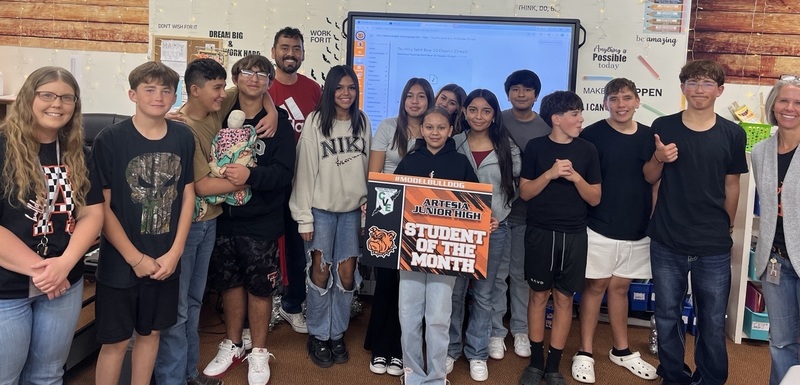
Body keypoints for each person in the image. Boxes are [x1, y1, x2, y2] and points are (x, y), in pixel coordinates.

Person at [644, 60, 747, 385]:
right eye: (692, 82)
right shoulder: (664, 125)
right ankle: (674, 376)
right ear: (683, 88)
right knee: (666, 316)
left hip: (713, 245)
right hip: (667, 239)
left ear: (719, 90)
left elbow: (733, 185)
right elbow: (649, 176)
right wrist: (659, 158)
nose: (698, 89)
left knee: (713, 321)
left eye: (706, 83)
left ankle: (712, 379)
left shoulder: (732, 133)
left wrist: (726, 224)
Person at [92, 61, 195, 385]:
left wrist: (175, 252)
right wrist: (135, 258)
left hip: (165, 260)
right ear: (132, 94)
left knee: (151, 334)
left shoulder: (182, 136)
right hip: (121, 264)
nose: (159, 96)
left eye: (166, 90)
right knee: (116, 342)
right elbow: (101, 207)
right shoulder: (111, 139)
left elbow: (188, 194)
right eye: (150, 89)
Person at [0, 66, 104, 385]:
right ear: (29, 97)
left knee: (47, 376)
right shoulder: (3, 148)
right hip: (8, 288)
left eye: (66, 97)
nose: (56, 104)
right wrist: (45, 272)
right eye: (47, 94)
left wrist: (65, 265)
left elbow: (92, 213)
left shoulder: (77, 154)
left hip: (63, 284)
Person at [200, 55, 295, 385]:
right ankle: (234, 344)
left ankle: (259, 351)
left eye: (262, 74)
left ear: (270, 81)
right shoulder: (218, 113)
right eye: (247, 72)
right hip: (223, 216)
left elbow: (284, 174)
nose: (254, 79)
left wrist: (250, 175)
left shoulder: (277, 122)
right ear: (236, 77)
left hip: (262, 220)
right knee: (229, 282)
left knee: (259, 287)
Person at [152, 58, 238, 385]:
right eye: (216, 88)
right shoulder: (182, 128)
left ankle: (188, 374)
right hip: (187, 228)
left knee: (194, 302)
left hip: (210, 222)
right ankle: (173, 378)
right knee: (177, 310)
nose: (222, 94)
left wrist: (271, 109)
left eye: (222, 87)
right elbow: (203, 185)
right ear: (195, 90)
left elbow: (249, 86)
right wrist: (248, 180)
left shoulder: (215, 108)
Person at [573, 78, 657, 383]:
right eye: (614, 98)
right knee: (594, 288)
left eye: (626, 98)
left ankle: (621, 350)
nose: (621, 104)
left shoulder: (650, 137)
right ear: (605, 102)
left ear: (637, 101)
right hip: (598, 225)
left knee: (620, 289)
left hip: (637, 228)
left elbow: (655, 180)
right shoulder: (592, 135)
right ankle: (584, 352)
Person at [517, 91, 601, 385]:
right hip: (540, 231)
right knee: (538, 296)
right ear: (556, 119)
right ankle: (536, 363)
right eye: (575, 114)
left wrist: (576, 177)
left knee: (564, 299)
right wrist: (550, 174)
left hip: (574, 235)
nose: (581, 119)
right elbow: (525, 192)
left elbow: (595, 198)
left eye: (579, 113)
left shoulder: (588, 150)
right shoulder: (536, 147)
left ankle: (553, 365)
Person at [290, 65, 371, 368]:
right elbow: (305, 172)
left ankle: (337, 333)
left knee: (347, 275)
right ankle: (318, 334)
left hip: (351, 213)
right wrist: (304, 217)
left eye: (351, 87)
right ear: (329, 90)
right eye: (339, 88)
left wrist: (367, 214)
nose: (346, 93)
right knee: (320, 273)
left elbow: (365, 170)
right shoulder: (315, 122)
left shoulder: (362, 121)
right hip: (320, 211)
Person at [394, 106, 479, 385]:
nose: (434, 132)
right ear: (421, 130)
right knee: (409, 314)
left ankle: (436, 376)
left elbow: (476, 207)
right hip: (411, 250)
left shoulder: (461, 163)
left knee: (439, 316)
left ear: (450, 130)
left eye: (441, 127)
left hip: (445, 253)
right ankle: (412, 372)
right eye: (429, 127)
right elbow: (392, 198)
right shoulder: (409, 160)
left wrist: (485, 221)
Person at [448, 89, 520, 382]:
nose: (479, 116)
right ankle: (451, 350)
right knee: (454, 294)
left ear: (494, 115)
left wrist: (497, 216)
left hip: (493, 231)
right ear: (464, 112)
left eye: (486, 111)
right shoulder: (452, 144)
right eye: (473, 110)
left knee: (484, 294)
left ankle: (476, 352)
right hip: (456, 232)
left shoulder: (507, 147)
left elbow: (512, 189)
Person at [364, 77, 434, 376]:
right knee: (387, 283)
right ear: (403, 99)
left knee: (412, 287)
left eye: (421, 96)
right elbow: (375, 172)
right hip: (390, 214)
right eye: (410, 96)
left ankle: (399, 350)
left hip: (423, 216)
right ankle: (381, 347)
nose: (415, 101)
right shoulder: (388, 127)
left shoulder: (436, 128)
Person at [490, 69, 551, 361]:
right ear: (508, 93)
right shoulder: (496, 120)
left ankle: (521, 330)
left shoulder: (546, 127)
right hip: (498, 215)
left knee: (521, 276)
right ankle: (494, 332)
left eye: (527, 89)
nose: (521, 94)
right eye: (515, 89)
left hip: (531, 215)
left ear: (536, 94)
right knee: (497, 276)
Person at [269, 26, 323, 334]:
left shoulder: (313, 89)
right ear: (273, 51)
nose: (291, 53)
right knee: (269, 245)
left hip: (305, 182)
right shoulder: (263, 88)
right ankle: (266, 304)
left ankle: (292, 304)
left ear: (303, 53)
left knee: (295, 246)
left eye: (296, 48)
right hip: (272, 180)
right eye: (285, 47)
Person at [752, 74, 800, 385]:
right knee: (781, 341)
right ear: (773, 106)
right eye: (784, 100)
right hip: (775, 261)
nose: (790, 108)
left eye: (798, 103)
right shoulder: (760, 151)